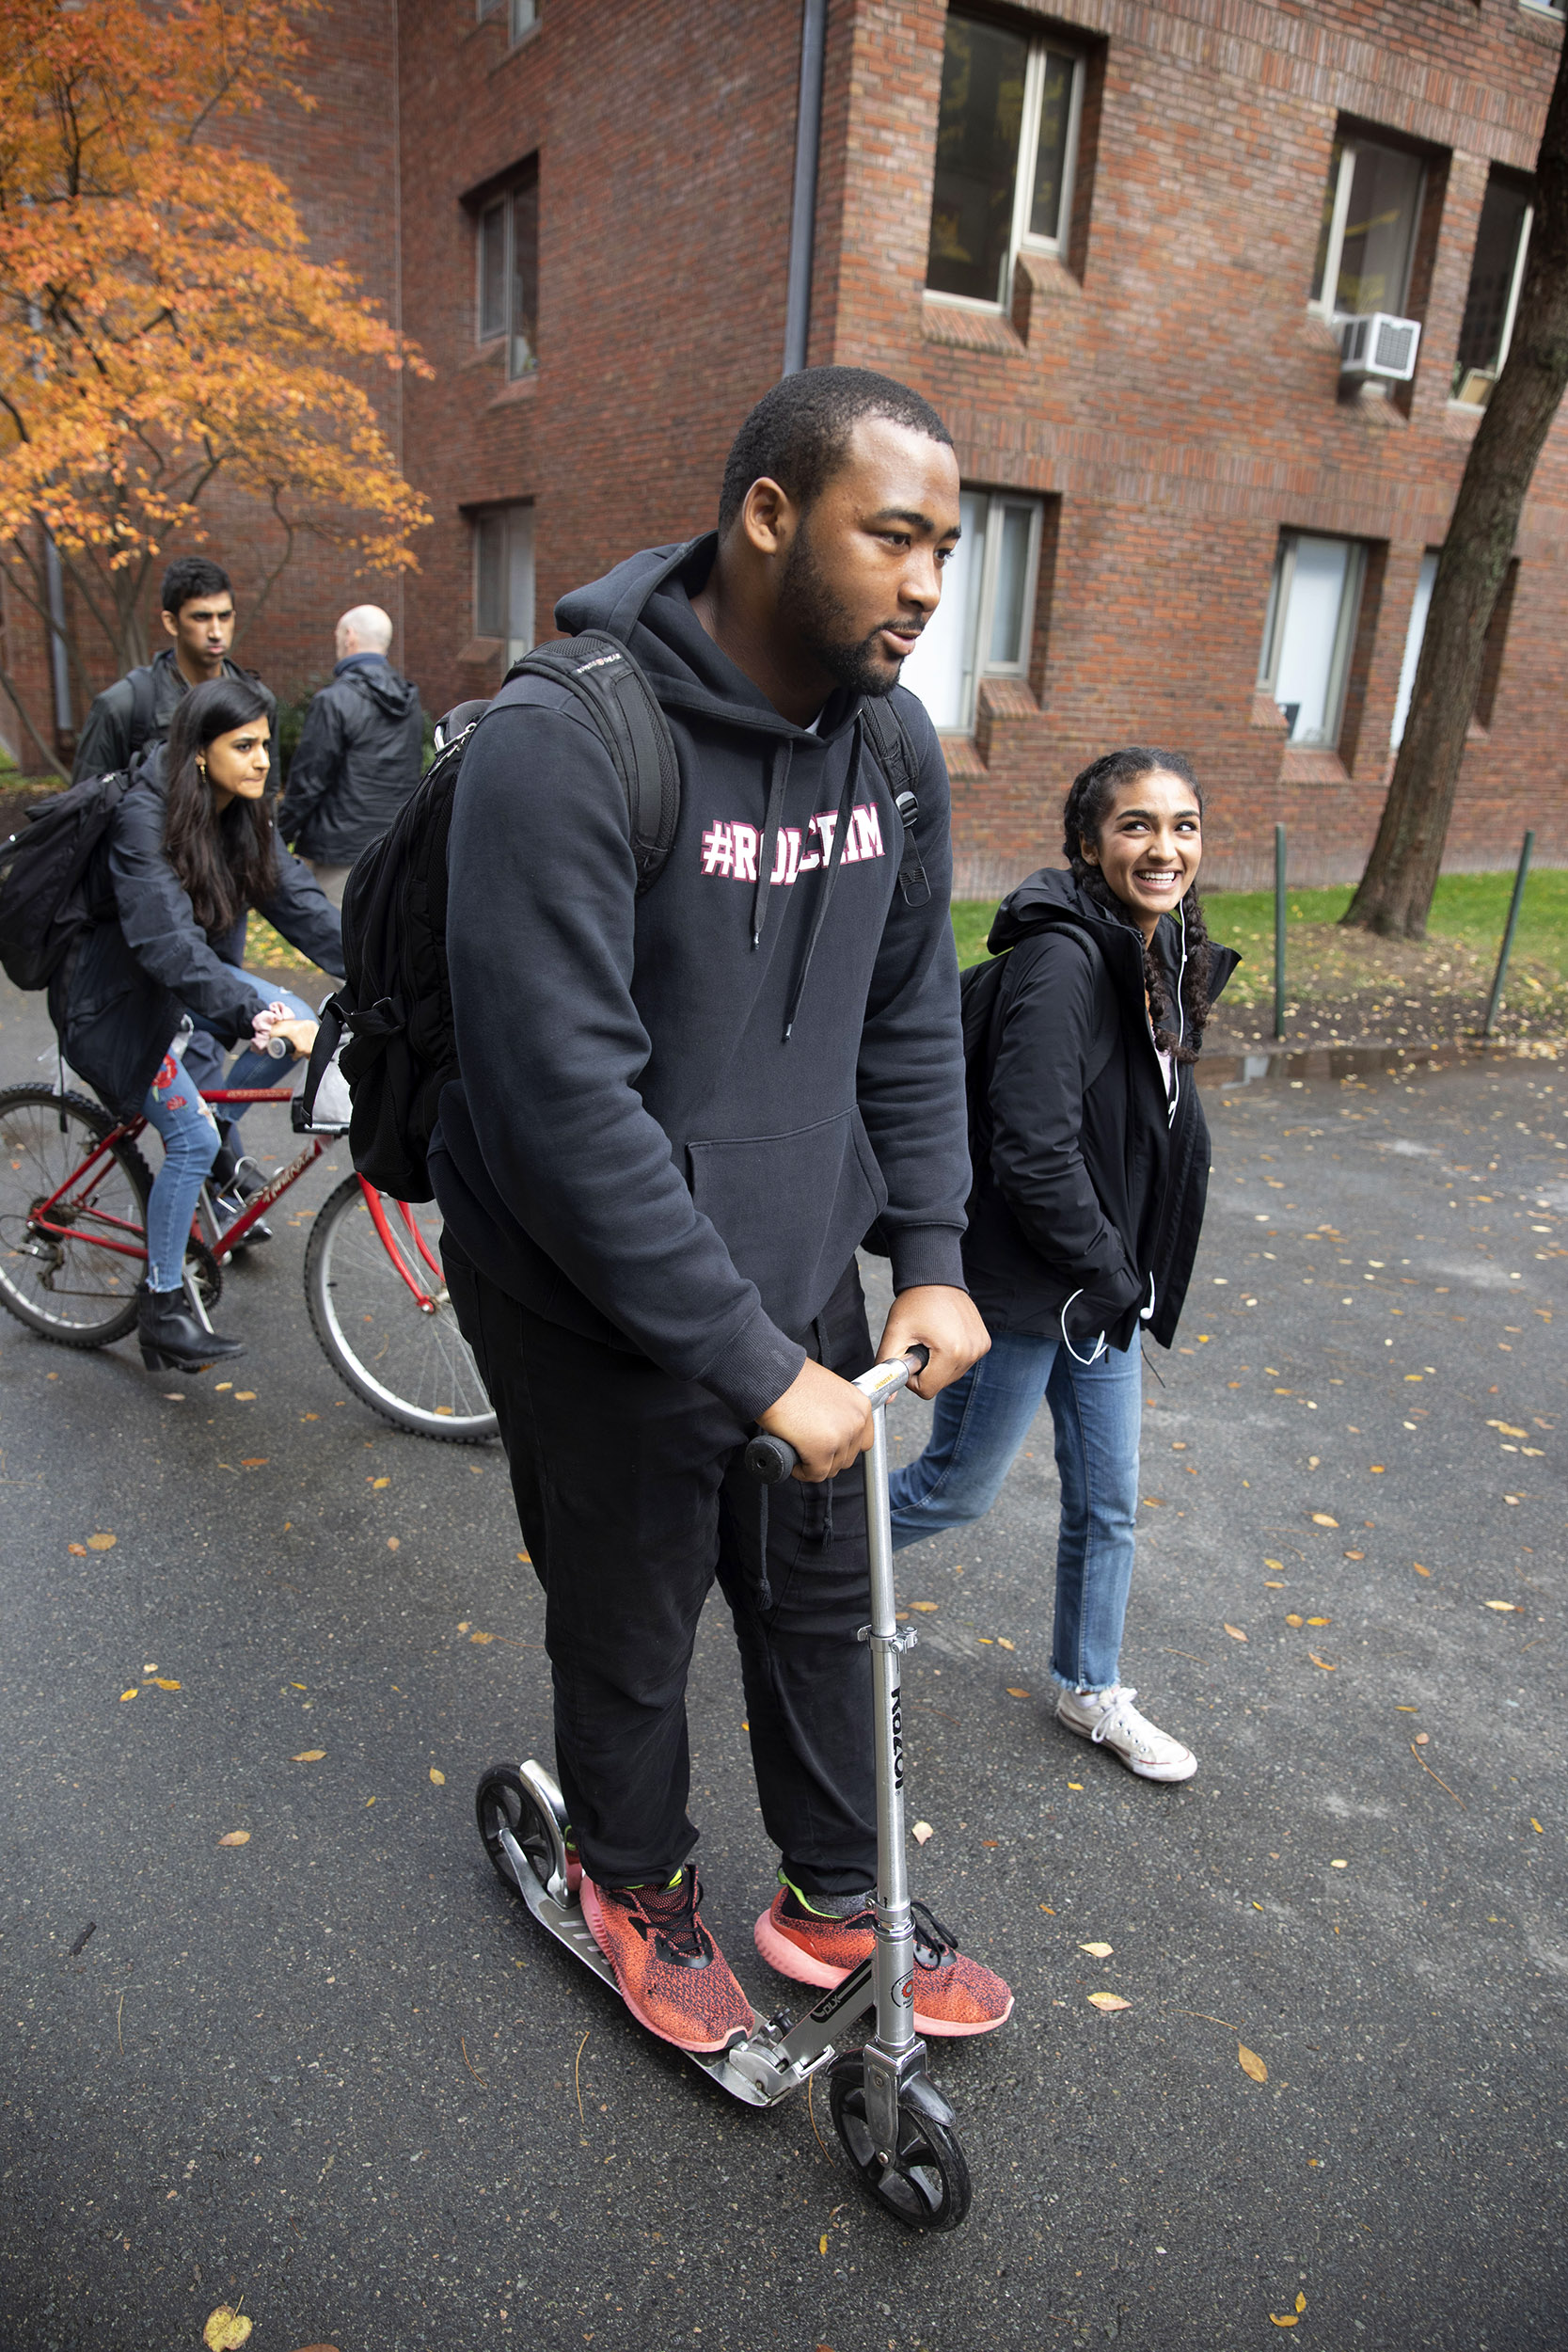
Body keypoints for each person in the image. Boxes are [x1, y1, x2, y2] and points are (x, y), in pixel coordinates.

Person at [436, 366, 1015, 2054]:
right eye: (891, 536)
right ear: (767, 515)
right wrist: (743, 1364)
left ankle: (838, 1897)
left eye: (946, 547)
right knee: (631, 1615)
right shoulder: (566, 738)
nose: (926, 583)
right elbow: (561, 1114)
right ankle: (633, 1882)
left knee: (827, 1600)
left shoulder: (889, 740)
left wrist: (927, 1252)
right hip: (587, 1294)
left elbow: (909, 1014)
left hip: (801, 1268)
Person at [887, 749, 1238, 1784]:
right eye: (1134, 825)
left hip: (1099, 1292)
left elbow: (1138, 1128)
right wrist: (1110, 1266)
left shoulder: (1150, 949)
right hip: (1027, 1287)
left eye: (1181, 824)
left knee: (1108, 1502)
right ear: (1087, 842)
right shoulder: (1063, 960)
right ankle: (801, 1563)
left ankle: (1090, 1686)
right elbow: (1027, 1145)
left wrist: (1124, 1275)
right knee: (954, 1489)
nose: (1161, 846)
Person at [49, 676, 342, 1373]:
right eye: (244, 745)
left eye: (267, 744)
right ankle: (162, 1307)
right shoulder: (142, 815)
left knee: (299, 1016)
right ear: (200, 753)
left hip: (174, 986)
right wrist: (255, 1013)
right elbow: (163, 943)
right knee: (189, 1132)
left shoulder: (241, 814)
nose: (264, 759)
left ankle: (215, 1141)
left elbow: (301, 906)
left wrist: (390, 977)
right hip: (112, 1000)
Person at [71, 556, 277, 786]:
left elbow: (266, 795)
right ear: (171, 622)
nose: (216, 631)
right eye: (202, 617)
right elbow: (85, 807)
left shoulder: (258, 699)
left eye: (224, 616)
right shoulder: (122, 706)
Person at [276, 604, 423, 906]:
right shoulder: (410, 705)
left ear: (349, 637)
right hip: (393, 850)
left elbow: (308, 782)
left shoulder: (332, 702)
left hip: (339, 856)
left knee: (338, 946)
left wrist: (277, 835)